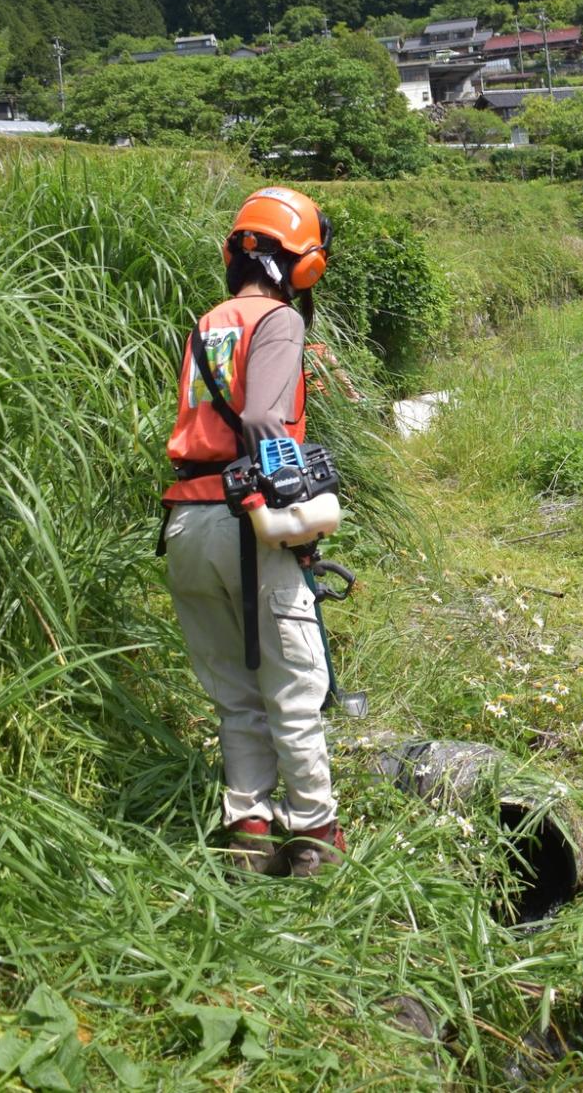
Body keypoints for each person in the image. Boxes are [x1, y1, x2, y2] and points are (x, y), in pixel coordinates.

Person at [160, 186, 344, 878]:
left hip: (187, 520)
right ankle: (315, 841)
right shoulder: (280, 321)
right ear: (300, 263)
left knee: (236, 694)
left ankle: (248, 835)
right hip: (248, 523)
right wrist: (296, 502)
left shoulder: (210, 321)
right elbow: (266, 420)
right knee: (295, 686)